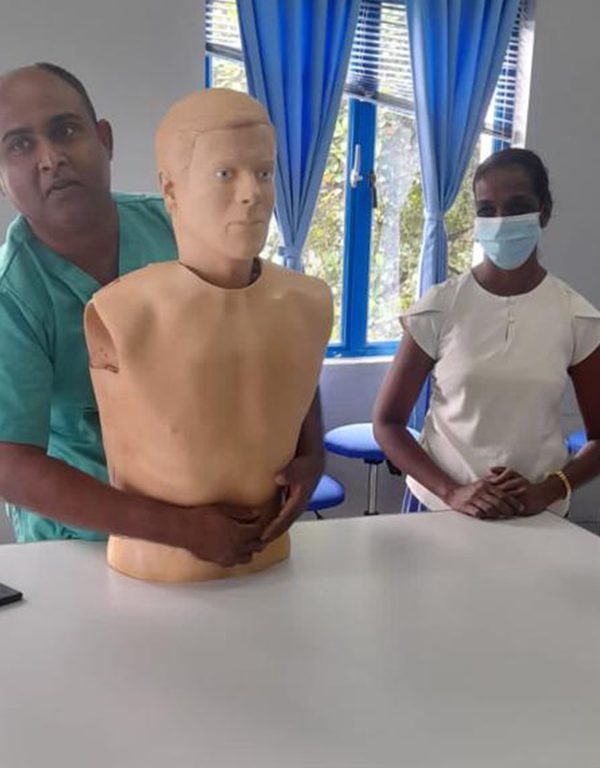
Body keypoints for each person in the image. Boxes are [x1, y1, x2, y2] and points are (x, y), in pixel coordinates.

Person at [0, 63, 321, 563]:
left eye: (65, 131)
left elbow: (272, 327)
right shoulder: (13, 295)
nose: (50, 158)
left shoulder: (181, 222)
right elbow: (11, 465)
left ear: (104, 139)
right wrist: (176, 528)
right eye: (20, 145)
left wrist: (310, 449)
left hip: (230, 522)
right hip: (83, 544)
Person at [84, 88, 331, 580]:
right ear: (171, 191)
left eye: (264, 172)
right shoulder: (122, 312)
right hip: (155, 575)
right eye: (225, 174)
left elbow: (295, 390)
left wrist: (312, 454)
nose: (252, 193)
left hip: (271, 562)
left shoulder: (310, 302)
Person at [373, 148, 600, 519]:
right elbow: (387, 423)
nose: (500, 221)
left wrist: (548, 490)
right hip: (438, 508)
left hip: (535, 515)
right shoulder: (441, 307)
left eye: (516, 207)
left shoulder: (576, 316)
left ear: (543, 212)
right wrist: (452, 491)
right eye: (487, 210)